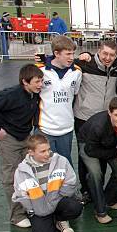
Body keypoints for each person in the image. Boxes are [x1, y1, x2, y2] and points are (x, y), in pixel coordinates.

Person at [0, 64, 43, 228]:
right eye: (37, 81)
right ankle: (17, 216)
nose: (40, 85)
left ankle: (28, 207)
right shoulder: (11, 94)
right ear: (25, 82)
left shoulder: (34, 94)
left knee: (27, 173)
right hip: (9, 139)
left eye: (41, 81)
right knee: (11, 176)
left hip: (24, 137)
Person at [12, 134, 82, 232]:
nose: (47, 154)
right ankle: (47, 221)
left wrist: (55, 200)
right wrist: (34, 209)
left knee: (75, 207)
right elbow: (21, 195)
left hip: (57, 201)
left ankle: (60, 219)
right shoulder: (21, 171)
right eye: (42, 151)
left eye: (48, 150)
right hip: (39, 209)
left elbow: (70, 182)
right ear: (31, 152)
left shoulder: (61, 161)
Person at [73, 39, 117, 203]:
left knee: (101, 155)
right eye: (104, 53)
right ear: (98, 52)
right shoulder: (85, 64)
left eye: (112, 55)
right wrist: (43, 59)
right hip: (84, 117)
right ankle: (86, 190)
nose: (108, 58)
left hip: (105, 120)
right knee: (84, 156)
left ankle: (98, 190)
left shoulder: (116, 68)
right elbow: (62, 60)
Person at [78, 97, 117, 224]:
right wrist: (116, 151)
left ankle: (109, 200)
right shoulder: (98, 126)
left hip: (110, 143)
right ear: (109, 112)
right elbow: (90, 151)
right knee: (95, 173)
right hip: (89, 145)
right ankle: (100, 211)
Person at [36, 36, 82, 166]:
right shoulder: (41, 70)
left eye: (73, 53)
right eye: (68, 54)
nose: (71, 57)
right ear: (56, 53)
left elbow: (75, 94)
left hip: (66, 128)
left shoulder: (77, 72)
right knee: (46, 164)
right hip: (45, 128)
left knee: (64, 164)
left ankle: (68, 187)